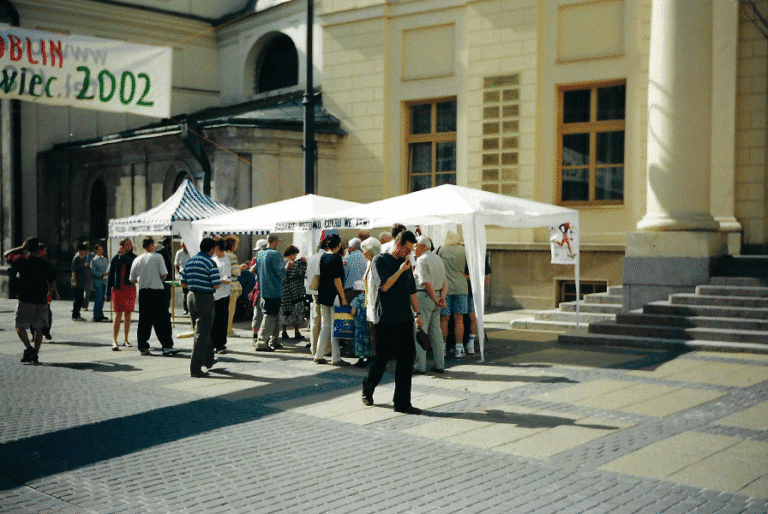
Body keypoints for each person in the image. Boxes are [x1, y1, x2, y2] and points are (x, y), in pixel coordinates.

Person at [362, 230, 422, 414]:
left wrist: (418, 314)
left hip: (404, 318)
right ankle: (368, 387)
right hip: (386, 319)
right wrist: (401, 270)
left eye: (412, 250)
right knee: (381, 359)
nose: (409, 253)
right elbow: (385, 286)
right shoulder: (380, 260)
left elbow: (412, 291)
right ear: (397, 244)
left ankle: (402, 403)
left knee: (406, 360)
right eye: (407, 249)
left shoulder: (407, 264)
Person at [4, 238, 57, 364]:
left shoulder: (22, 260)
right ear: (39, 248)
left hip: (26, 299)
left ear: (27, 246)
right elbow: (52, 281)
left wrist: (21, 248)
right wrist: (49, 296)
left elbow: (6, 254)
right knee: (38, 329)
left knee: (19, 326)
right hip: (41, 300)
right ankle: (35, 353)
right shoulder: (46, 262)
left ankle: (29, 348)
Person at [129, 236, 178, 356]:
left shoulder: (137, 259)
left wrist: (143, 281)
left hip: (144, 292)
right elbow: (164, 274)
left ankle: (143, 345)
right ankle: (166, 345)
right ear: (151, 245)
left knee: (144, 320)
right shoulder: (158, 257)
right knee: (162, 320)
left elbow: (132, 279)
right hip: (157, 291)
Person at [181, 237, 221, 378]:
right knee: (202, 333)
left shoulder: (191, 261)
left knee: (203, 329)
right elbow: (216, 284)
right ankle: (195, 368)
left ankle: (208, 360)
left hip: (191, 296)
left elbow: (183, 282)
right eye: (214, 249)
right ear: (211, 249)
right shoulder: (210, 263)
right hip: (204, 297)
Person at [413, 235, 447, 374]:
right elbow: (445, 281)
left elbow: (426, 282)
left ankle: (420, 366)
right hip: (438, 295)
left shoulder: (421, 260)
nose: (414, 249)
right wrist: (441, 298)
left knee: (421, 331)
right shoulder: (438, 258)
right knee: (436, 332)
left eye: (415, 246)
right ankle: (440, 364)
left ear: (422, 247)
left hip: (425, 296)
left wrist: (434, 297)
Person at [313, 234, 350, 366]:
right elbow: (337, 280)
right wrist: (344, 297)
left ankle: (318, 354)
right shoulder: (337, 258)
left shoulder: (324, 257)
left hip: (323, 294)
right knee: (336, 326)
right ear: (339, 245)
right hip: (334, 295)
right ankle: (336, 358)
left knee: (325, 325)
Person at [438, 230, 469, 358]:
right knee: (459, 318)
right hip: (461, 286)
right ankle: (459, 347)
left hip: (445, 287)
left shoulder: (440, 250)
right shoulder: (464, 250)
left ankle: (443, 347)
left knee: (444, 319)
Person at [254, 233, 286, 352]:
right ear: (276, 242)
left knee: (275, 315)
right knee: (270, 316)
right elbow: (281, 272)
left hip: (264, 289)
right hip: (274, 289)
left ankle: (274, 340)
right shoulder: (275, 254)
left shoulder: (260, 254)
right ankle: (262, 342)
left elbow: (257, 271)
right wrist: (287, 267)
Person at [107, 238, 137, 347]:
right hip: (118, 289)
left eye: (130, 244)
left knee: (128, 315)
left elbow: (131, 265)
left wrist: (125, 255)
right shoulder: (116, 258)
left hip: (129, 288)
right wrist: (107, 292)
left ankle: (126, 339)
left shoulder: (133, 257)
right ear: (122, 246)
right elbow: (111, 275)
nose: (129, 246)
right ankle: (114, 340)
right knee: (118, 315)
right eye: (127, 244)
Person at [464, 254, 492, 355]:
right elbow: (486, 275)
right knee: (471, 316)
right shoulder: (480, 254)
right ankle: (470, 342)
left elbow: (485, 275)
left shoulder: (464, 252)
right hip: (474, 290)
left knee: (462, 316)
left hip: (463, 289)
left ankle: (464, 343)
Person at [361, 237, 382, 367]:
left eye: (364, 250)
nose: (362, 253)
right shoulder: (369, 262)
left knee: (378, 332)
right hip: (370, 303)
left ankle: (379, 358)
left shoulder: (377, 262)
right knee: (372, 331)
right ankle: (374, 356)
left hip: (377, 304)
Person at [304, 237, 327, 354]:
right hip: (324, 291)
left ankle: (314, 347)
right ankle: (324, 348)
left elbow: (307, 275)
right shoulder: (326, 257)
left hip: (313, 291)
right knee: (325, 321)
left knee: (315, 319)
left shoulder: (311, 258)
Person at [281, 245, 307, 340]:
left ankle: (284, 331)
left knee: (285, 311)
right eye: (295, 255)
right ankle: (296, 331)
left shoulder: (281, 263)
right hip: (296, 291)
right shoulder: (294, 264)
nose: (296, 257)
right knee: (297, 311)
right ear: (291, 254)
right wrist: (304, 264)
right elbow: (302, 273)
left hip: (285, 291)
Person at [211, 238, 232, 354]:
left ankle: (221, 344)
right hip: (213, 294)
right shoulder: (213, 259)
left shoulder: (226, 261)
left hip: (223, 294)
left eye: (215, 247)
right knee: (213, 320)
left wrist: (215, 281)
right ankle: (213, 343)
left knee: (222, 319)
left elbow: (227, 280)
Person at [249, 238, 268, 344]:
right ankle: (255, 336)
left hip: (266, 289)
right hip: (259, 289)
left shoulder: (270, 257)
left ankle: (264, 336)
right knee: (257, 314)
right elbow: (252, 270)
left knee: (267, 314)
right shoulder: (255, 260)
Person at [349, 280, 371, 367]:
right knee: (367, 339)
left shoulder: (356, 299)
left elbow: (353, 312)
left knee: (359, 340)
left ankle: (361, 358)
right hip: (367, 323)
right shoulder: (368, 298)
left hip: (358, 324)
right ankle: (369, 356)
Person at [224, 235, 242, 336]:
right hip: (232, 286)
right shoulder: (232, 256)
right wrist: (240, 268)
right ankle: (229, 330)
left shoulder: (221, 255)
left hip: (222, 286)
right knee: (230, 310)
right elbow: (235, 271)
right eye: (236, 244)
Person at [343, 238, 367, 304]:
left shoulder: (345, 259)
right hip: (365, 291)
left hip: (350, 291)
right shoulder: (367, 257)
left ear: (352, 248)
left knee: (351, 313)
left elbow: (342, 276)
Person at [90, 243, 109, 322]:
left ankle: (100, 314)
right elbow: (93, 271)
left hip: (105, 281)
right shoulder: (94, 260)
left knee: (102, 299)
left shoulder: (106, 260)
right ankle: (96, 315)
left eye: (102, 249)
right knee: (98, 298)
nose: (100, 251)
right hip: (98, 281)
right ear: (96, 250)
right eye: (99, 249)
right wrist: (101, 274)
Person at [71, 242, 89, 321]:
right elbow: (74, 271)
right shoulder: (77, 259)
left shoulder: (83, 259)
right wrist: (75, 281)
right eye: (83, 250)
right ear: (79, 250)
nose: (85, 252)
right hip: (77, 282)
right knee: (78, 299)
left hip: (82, 282)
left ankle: (77, 313)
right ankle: (75, 314)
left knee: (80, 299)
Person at [156, 235, 174, 309]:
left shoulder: (170, 252)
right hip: (162, 279)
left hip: (168, 279)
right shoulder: (160, 252)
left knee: (167, 299)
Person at [174, 243, 191, 314]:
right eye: (183, 245)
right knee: (185, 293)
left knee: (191, 292)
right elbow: (176, 264)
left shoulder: (191, 252)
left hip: (191, 274)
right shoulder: (179, 253)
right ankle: (186, 309)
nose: (184, 246)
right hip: (183, 274)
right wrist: (179, 272)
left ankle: (191, 309)